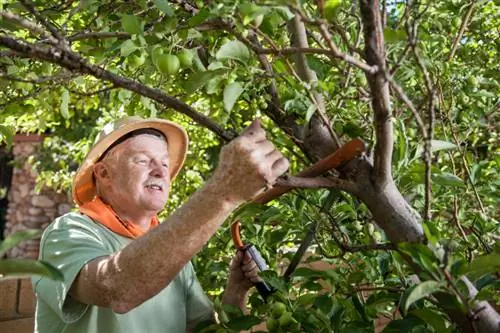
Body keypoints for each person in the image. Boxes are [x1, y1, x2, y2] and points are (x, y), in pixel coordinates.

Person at [32, 116, 289, 332]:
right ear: (104, 174)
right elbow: (117, 289)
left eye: (164, 162)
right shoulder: (69, 232)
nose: (160, 171)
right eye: (143, 160)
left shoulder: (172, 254)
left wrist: (236, 292)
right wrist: (224, 191)